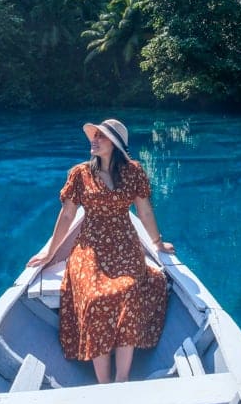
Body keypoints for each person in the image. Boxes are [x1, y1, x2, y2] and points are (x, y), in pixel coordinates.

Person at [26, 119, 174, 383]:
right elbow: (68, 214)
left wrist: (157, 243)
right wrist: (50, 252)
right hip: (90, 248)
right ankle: (104, 383)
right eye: (93, 136)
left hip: (126, 246)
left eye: (100, 137)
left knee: (128, 290)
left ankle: (123, 379)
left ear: (115, 144)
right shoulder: (80, 174)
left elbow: (145, 210)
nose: (94, 140)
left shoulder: (134, 172)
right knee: (95, 298)